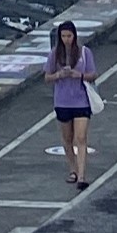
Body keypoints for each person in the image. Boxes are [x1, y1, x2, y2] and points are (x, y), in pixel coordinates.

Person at [44, 20, 96, 186]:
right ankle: (73, 170)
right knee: (67, 139)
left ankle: (81, 176)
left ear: (74, 36)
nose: (66, 39)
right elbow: (47, 77)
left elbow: (93, 74)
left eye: (69, 36)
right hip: (63, 101)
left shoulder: (84, 52)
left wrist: (78, 75)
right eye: (63, 36)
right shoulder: (55, 54)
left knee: (81, 138)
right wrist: (59, 75)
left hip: (81, 101)